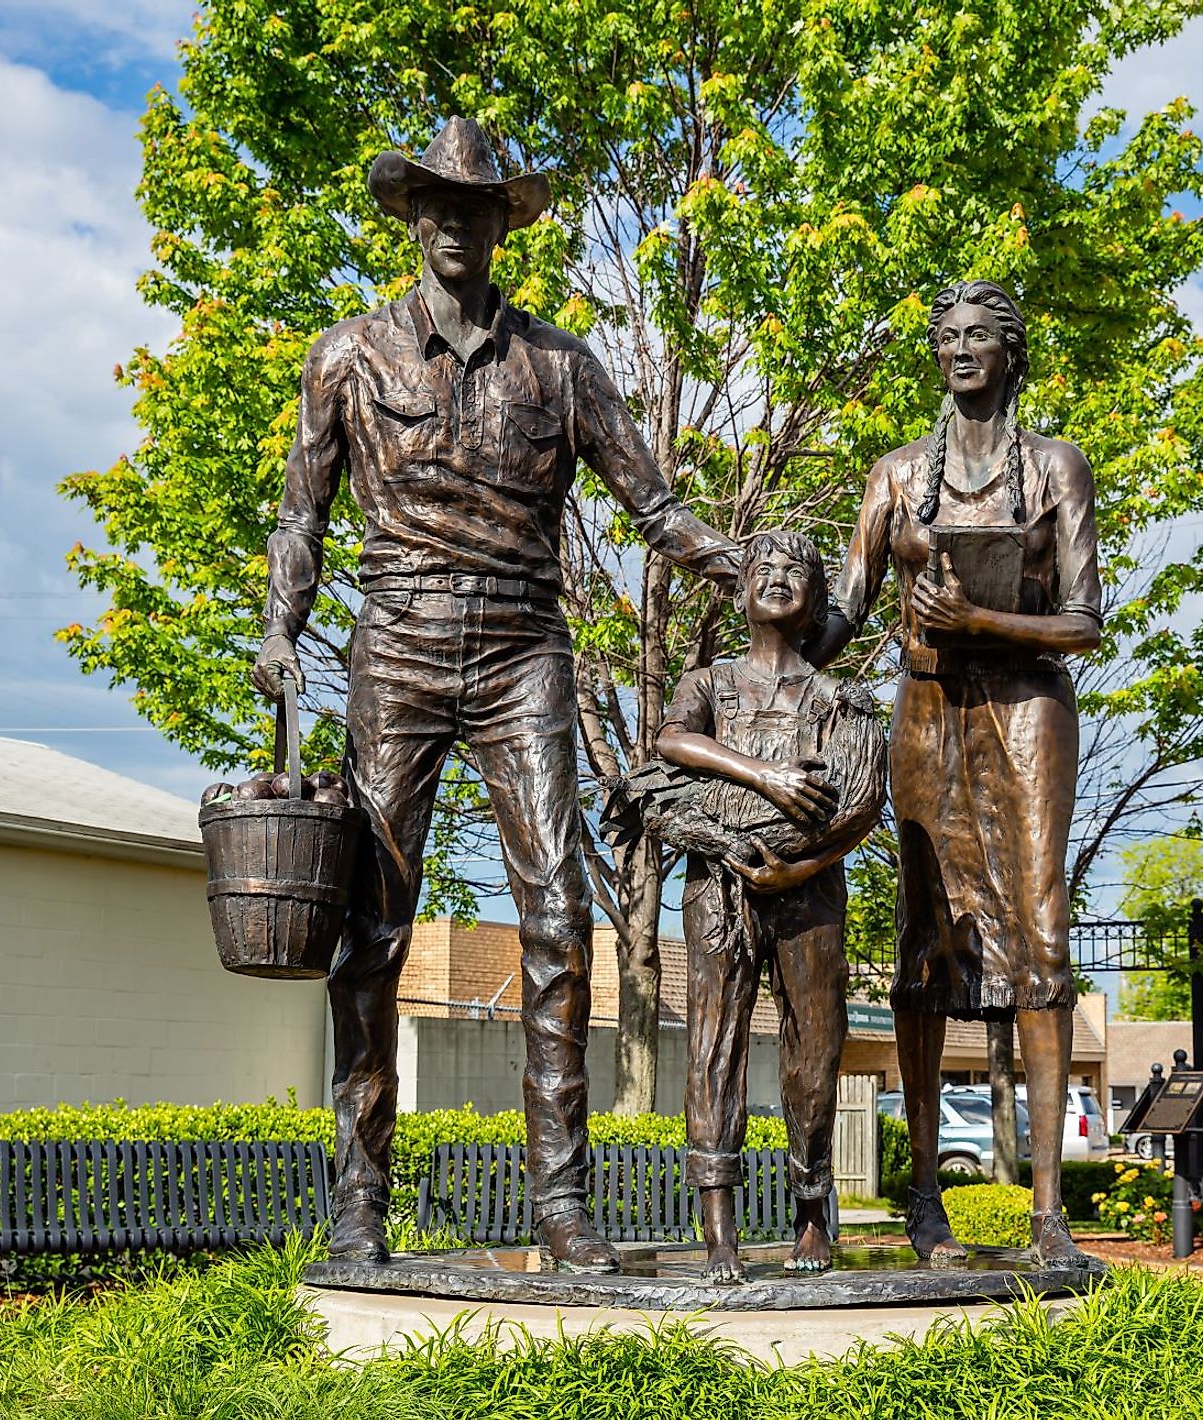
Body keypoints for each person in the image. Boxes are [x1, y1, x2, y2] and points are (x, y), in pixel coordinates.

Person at [251, 117, 741, 1271]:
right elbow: (299, 513)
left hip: (525, 648)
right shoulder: (347, 355)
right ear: (414, 219)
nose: (454, 223)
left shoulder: (561, 366)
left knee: (561, 918)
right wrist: (280, 629)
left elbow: (653, 506)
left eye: (475, 207)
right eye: (435, 205)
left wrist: (741, 563)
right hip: (399, 642)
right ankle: (358, 1204)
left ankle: (562, 1207)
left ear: (499, 223)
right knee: (372, 925)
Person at [808, 280, 1102, 1265]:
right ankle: (924, 1198)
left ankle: (1048, 1213)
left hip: (1026, 707)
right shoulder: (895, 475)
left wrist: (982, 620)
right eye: (947, 337)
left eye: (981, 335)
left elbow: (1085, 621)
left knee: (1041, 925)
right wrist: (766, 616)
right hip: (926, 708)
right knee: (924, 935)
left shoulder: (1054, 467)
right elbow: (844, 608)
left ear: (1012, 353)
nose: (961, 349)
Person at [645, 531, 882, 1282]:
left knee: (817, 1044)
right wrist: (768, 777)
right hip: (719, 883)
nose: (778, 579)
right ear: (741, 590)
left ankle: (813, 1210)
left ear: (816, 599)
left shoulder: (834, 695)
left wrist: (802, 866)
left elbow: (861, 805)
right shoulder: (709, 683)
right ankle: (719, 1228)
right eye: (763, 569)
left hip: (807, 890)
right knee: (714, 1042)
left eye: (796, 572)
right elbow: (669, 741)